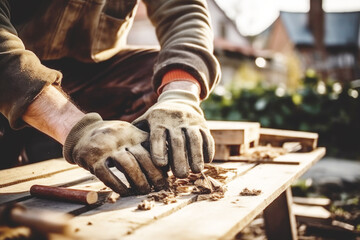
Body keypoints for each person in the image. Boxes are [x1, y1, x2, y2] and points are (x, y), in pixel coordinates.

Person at [0, 0, 220, 196]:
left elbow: (184, 11)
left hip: (89, 80)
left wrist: (179, 95)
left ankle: (128, 166)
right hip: (11, 81)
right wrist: (75, 127)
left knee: (150, 74)